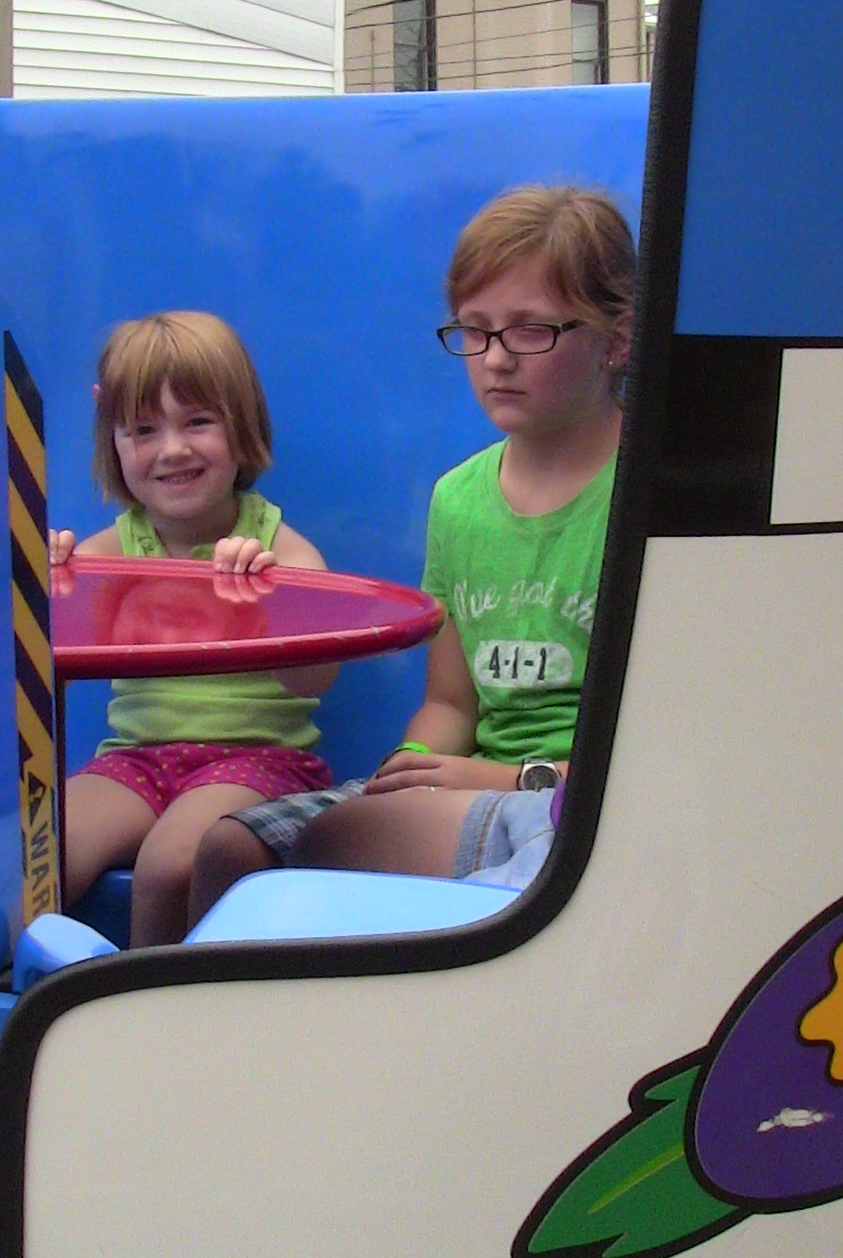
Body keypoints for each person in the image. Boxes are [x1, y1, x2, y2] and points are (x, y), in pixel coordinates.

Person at [187, 185, 633, 929]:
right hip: (475, 787)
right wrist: (412, 769)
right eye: (475, 331)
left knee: (335, 841)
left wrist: (500, 779)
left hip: (581, 807)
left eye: (530, 331)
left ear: (616, 339)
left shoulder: (649, 501)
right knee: (231, 849)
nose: (495, 360)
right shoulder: (458, 499)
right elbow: (453, 703)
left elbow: (660, 745)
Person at [48, 310, 335, 946]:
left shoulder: (279, 550)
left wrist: (265, 601)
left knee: (173, 864)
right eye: (143, 429)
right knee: (40, 850)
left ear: (242, 424)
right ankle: (32, 994)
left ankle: (149, 1004)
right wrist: (47, 584)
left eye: (198, 422)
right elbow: (42, 657)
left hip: (259, 762)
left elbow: (316, 676)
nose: (172, 449)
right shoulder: (106, 555)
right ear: (112, 438)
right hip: (136, 762)